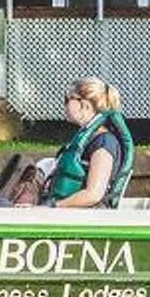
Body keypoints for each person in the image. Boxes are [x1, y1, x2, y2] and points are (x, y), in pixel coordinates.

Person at [44, 78, 135, 208]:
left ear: (85, 105)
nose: (65, 104)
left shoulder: (104, 143)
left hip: (85, 217)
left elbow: (94, 194)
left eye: (68, 99)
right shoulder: (89, 140)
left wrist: (53, 206)